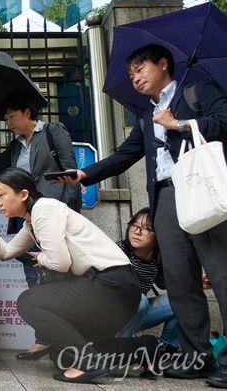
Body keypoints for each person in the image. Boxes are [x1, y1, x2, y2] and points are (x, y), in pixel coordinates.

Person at [60, 44, 227, 386]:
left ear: (163, 64)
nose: (135, 77)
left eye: (140, 69)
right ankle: (198, 357)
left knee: (222, 275)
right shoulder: (145, 114)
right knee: (181, 281)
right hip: (165, 197)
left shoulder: (197, 91)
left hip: (201, 188)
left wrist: (179, 123)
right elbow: (127, 154)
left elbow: (224, 122)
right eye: (131, 74)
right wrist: (85, 174)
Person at [0, 167, 158, 383]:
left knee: (27, 302)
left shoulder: (45, 209)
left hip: (111, 283)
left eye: (2, 194)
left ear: (23, 194)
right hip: (112, 291)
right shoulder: (31, 223)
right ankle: (143, 348)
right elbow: (6, 252)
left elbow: (60, 263)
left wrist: (42, 258)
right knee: (61, 356)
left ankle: (88, 363)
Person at [0, 90, 81, 359]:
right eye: (5, 117)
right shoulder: (14, 146)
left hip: (54, 218)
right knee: (34, 279)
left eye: (11, 116)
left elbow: (71, 173)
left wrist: (69, 213)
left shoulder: (54, 132)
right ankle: (44, 338)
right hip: (27, 222)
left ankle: (68, 342)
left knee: (60, 279)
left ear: (28, 113)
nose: (8, 122)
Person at [115, 207, 178, 353]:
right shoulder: (118, 251)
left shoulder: (157, 258)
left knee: (183, 301)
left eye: (146, 229)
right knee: (140, 299)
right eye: (135, 226)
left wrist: (196, 283)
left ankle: (166, 348)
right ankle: (119, 347)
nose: (137, 232)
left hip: (137, 313)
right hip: (111, 314)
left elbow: (163, 283)